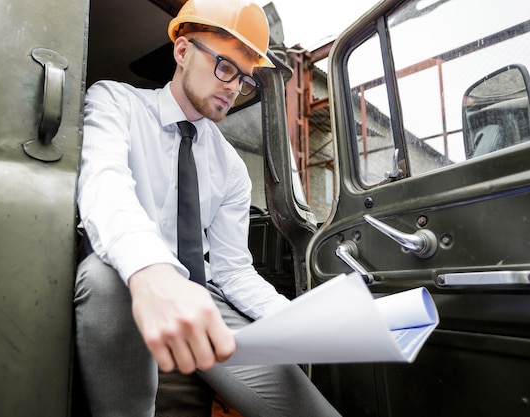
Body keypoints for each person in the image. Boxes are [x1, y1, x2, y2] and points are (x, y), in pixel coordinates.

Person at [74, 0, 342, 416]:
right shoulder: (116, 102)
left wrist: (295, 320)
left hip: (204, 295)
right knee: (105, 274)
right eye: (225, 67)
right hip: (130, 281)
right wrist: (151, 272)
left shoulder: (230, 166)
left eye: (245, 80)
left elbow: (233, 270)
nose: (234, 87)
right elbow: (105, 186)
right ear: (182, 52)